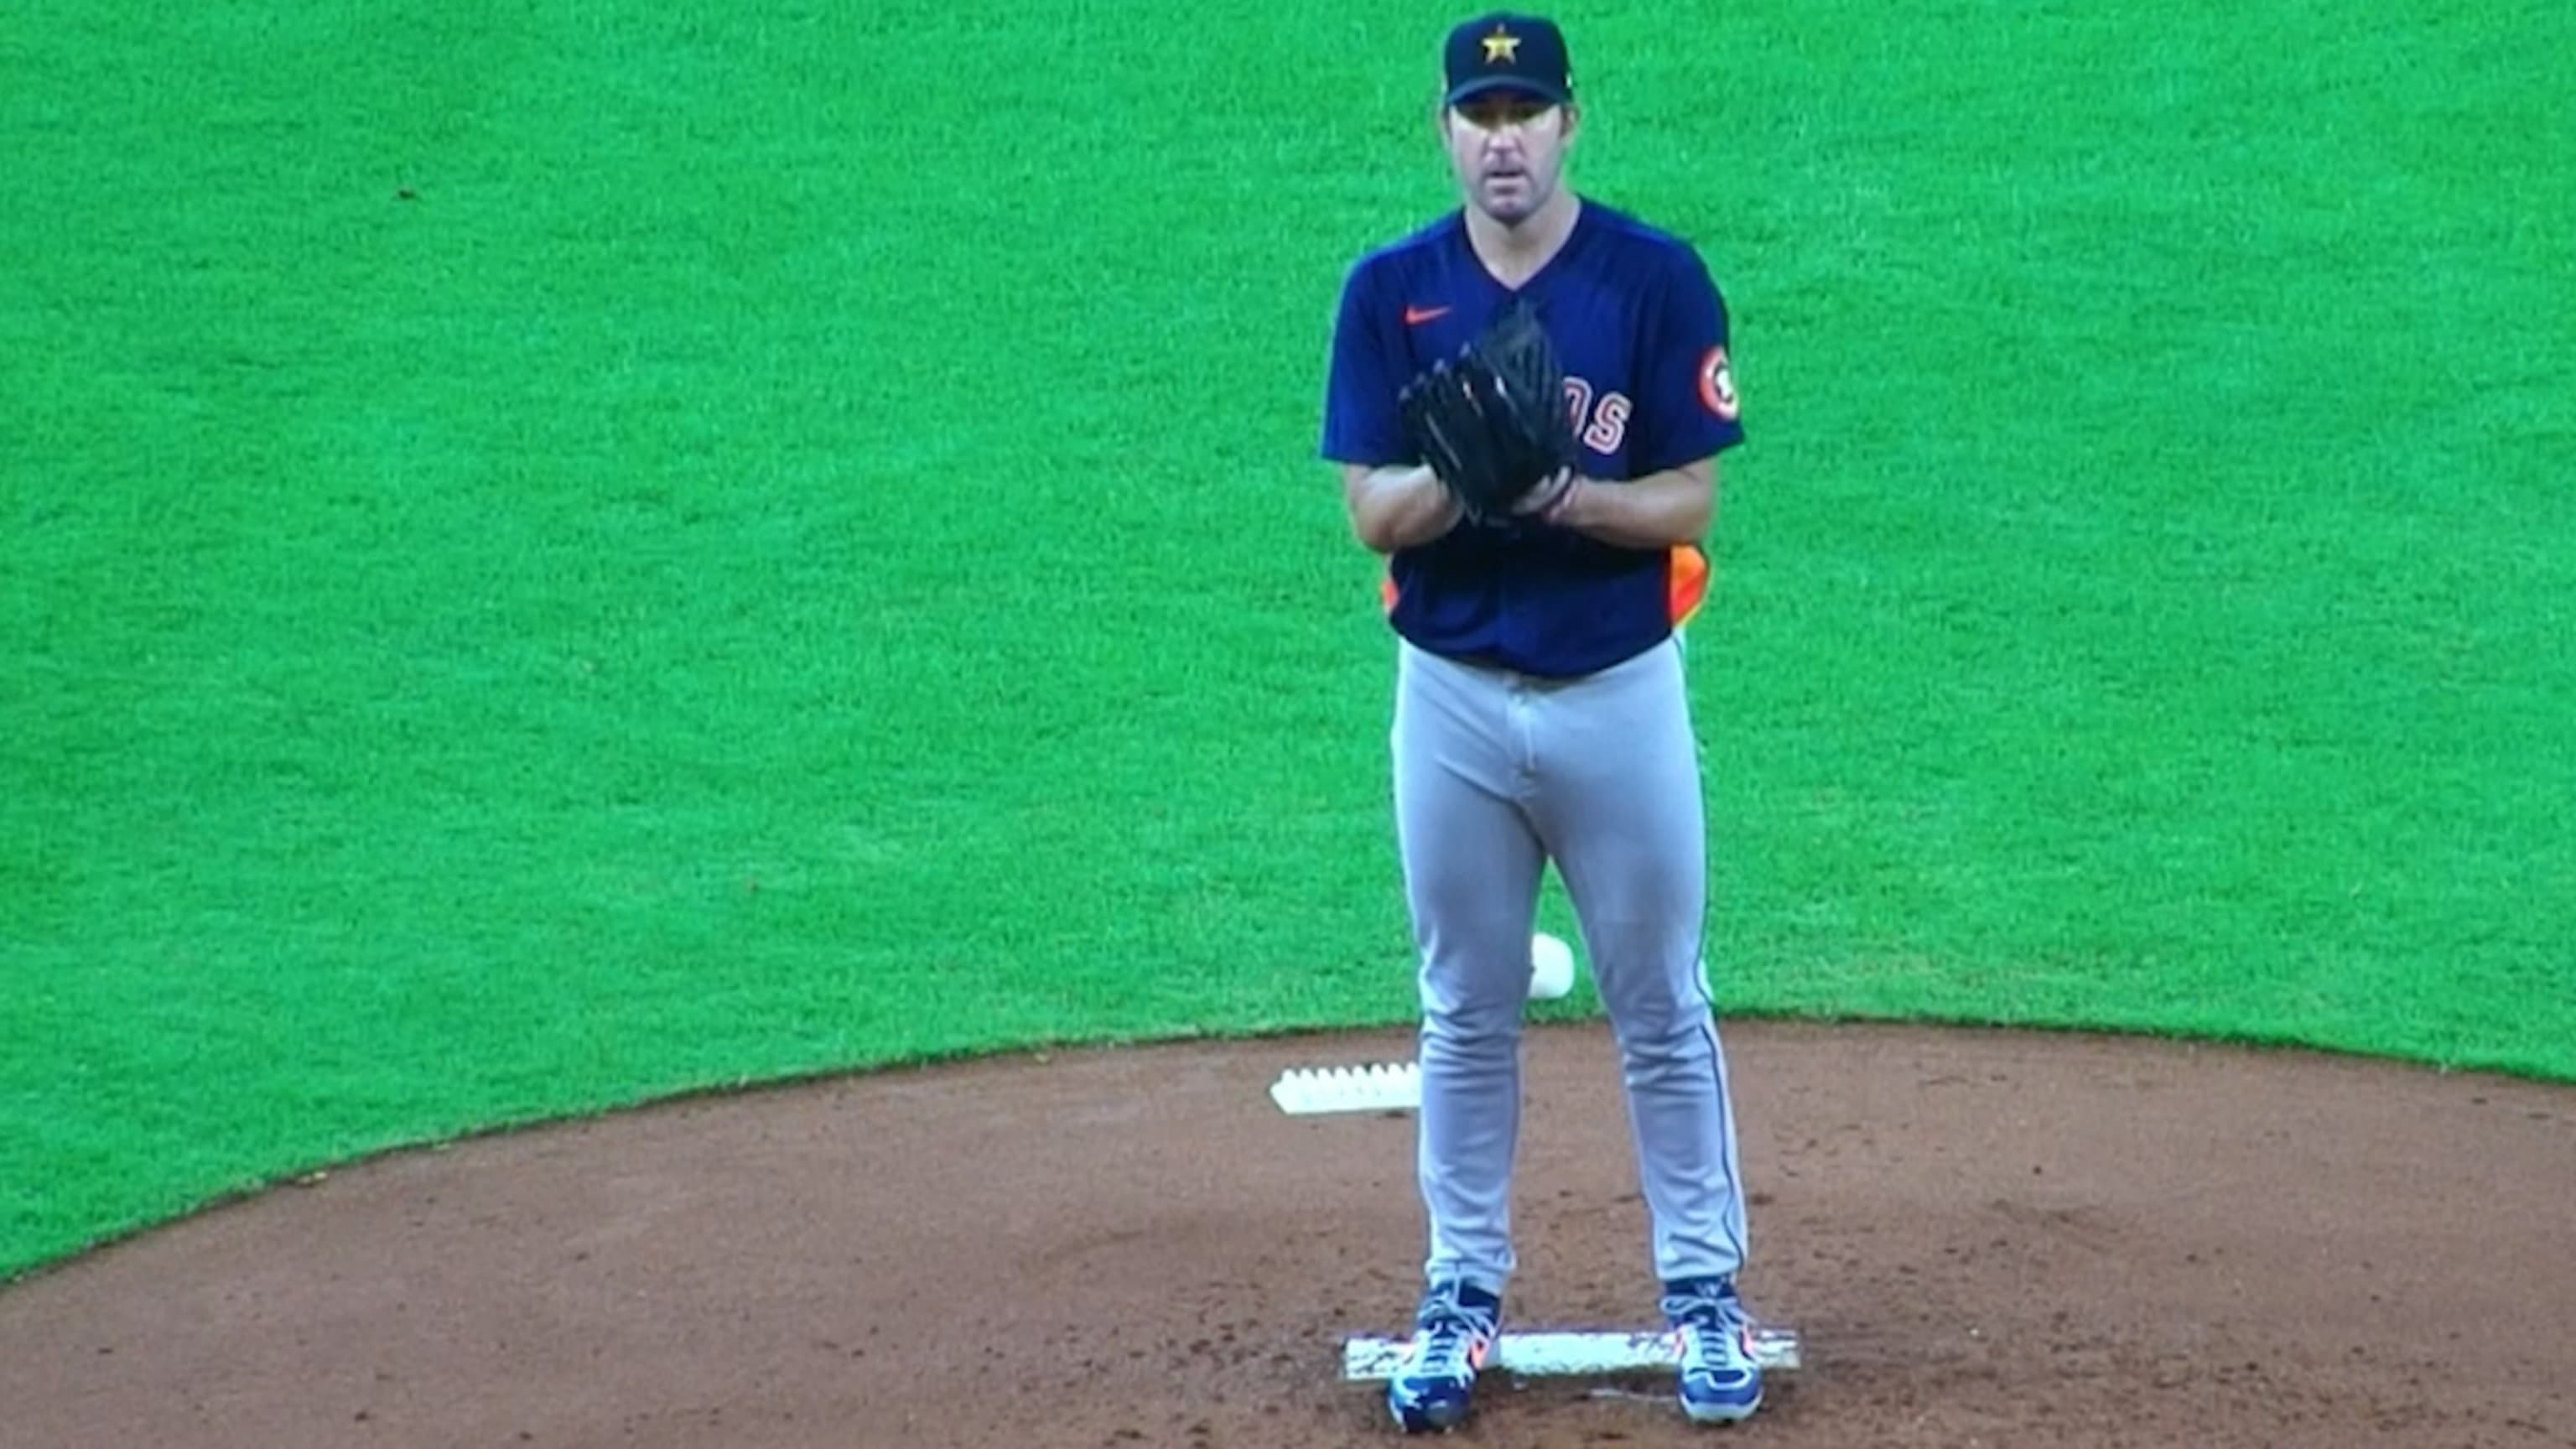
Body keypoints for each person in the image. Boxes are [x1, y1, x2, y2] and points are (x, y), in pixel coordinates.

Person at [1317, 11, 1765, 1435]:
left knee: (1659, 999)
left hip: (1618, 693)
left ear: (1571, 122)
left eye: (1526, 110)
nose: (1501, 137)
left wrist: (1563, 496)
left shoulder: (1651, 281)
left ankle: (1704, 1293)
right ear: (1443, 130)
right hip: (1448, 698)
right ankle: (1458, 1295)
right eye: (1477, 112)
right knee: (1463, 1004)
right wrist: (1466, 478)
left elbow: (1689, 500)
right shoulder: (1392, 293)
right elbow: (1369, 514)